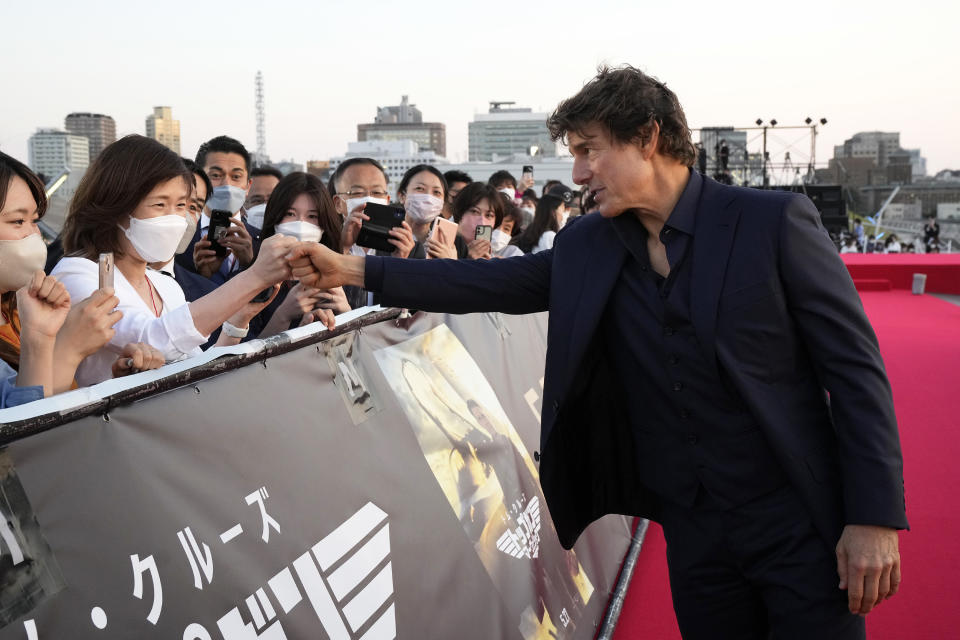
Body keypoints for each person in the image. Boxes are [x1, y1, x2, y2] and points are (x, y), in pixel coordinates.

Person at [287, 65, 906, 639]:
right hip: (693, 532)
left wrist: (873, 517)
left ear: (648, 137)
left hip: (796, 520)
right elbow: (486, 284)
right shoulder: (591, 244)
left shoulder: (773, 223)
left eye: (590, 151)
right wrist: (351, 266)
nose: (578, 173)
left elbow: (855, 372)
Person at [53, 135, 296, 386]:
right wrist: (255, 276)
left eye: (181, 205)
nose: (175, 219)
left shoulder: (165, 286)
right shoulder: (77, 274)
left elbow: (195, 372)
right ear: (115, 206)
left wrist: (237, 321)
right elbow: (154, 339)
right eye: (160, 204)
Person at [1, 151, 163, 394]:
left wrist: (118, 380)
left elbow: (57, 403)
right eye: (17, 221)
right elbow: (29, 427)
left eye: (34, 220)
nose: (34, 235)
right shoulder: (71, 278)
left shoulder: (21, 309)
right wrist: (67, 348)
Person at [254, 172, 343, 336]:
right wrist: (283, 315)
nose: (301, 224)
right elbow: (240, 354)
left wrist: (345, 312)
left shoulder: (340, 275)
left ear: (324, 223)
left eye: (312, 216)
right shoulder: (252, 278)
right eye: (290, 214)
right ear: (275, 218)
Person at [177, 136, 260, 283]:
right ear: (199, 181)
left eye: (236, 176)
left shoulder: (263, 241)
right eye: (215, 175)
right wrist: (201, 276)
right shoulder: (177, 236)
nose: (227, 185)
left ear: (248, 186)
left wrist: (249, 265)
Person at [511, 183, 574, 254]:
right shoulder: (549, 236)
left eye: (569, 208)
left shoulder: (533, 231)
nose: (566, 212)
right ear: (553, 211)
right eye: (563, 207)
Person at [245, 165, 284, 230]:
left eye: (272, 200)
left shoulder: (295, 237)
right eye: (257, 200)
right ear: (243, 206)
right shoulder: (231, 237)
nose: (265, 207)